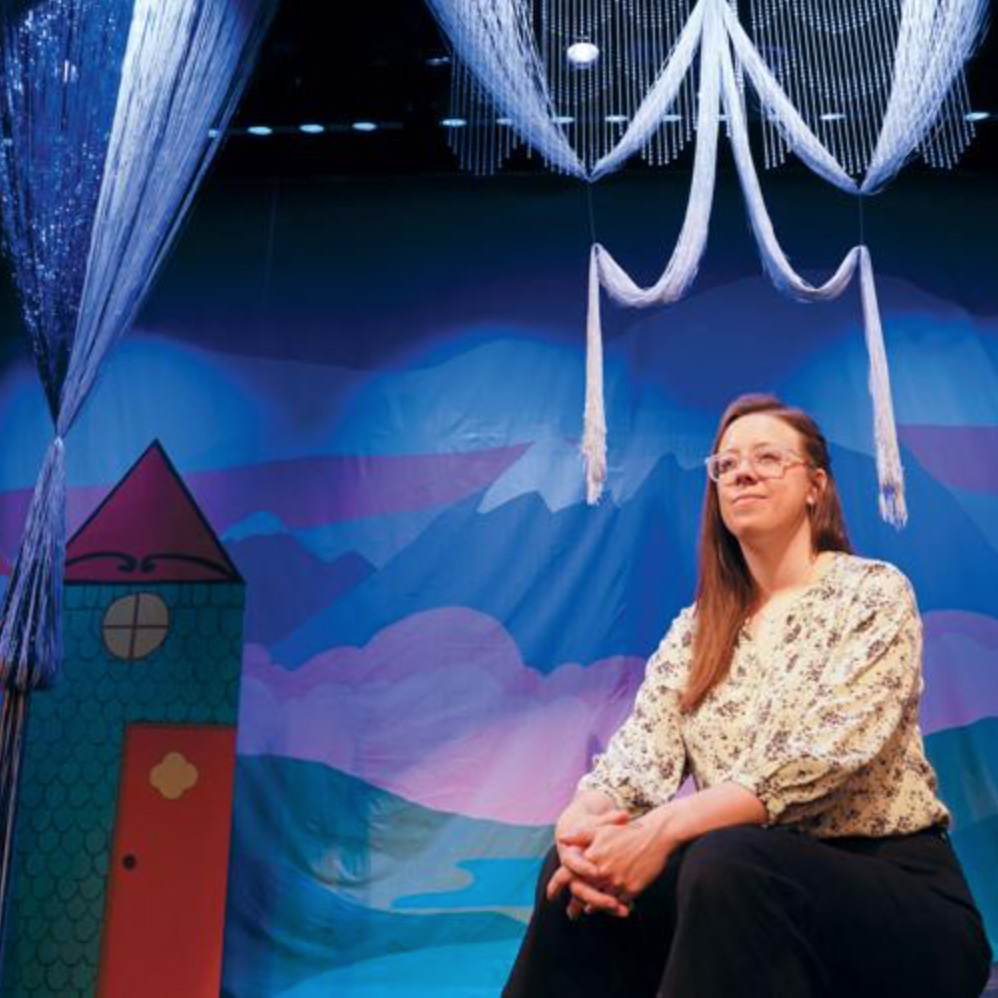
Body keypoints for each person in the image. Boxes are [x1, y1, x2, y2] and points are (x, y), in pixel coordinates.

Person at [504, 393, 992, 997]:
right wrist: (582, 823)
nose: (742, 473)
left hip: (897, 897)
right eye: (727, 464)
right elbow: (637, 760)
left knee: (726, 859)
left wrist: (665, 830)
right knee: (577, 875)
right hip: (739, 885)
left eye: (767, 458)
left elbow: (823, 755)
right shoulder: (697, 629)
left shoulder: (871, 594)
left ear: (815, 486)